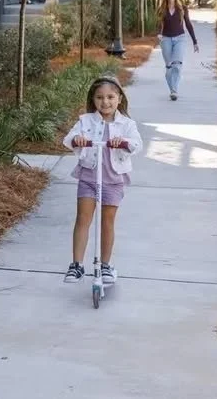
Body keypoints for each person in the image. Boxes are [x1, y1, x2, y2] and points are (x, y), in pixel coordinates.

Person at [61, 75, 143, 286]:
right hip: (89, 176)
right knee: (83, 219)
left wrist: (123, 142)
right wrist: (77, 139)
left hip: (113, 179)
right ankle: (77, 264)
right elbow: (68, 140)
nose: (105, 102)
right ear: (93, 99)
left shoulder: (127, 124)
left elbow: (136, 144)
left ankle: (105, 264)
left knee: (107, 222)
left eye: (110, 97)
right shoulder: (86, 120)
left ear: (119, 99)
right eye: (99, 98)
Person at [156, 0, 199, 100]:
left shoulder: (182, 8)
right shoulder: (162, 9)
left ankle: (174, 90)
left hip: (180, 38)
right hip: (166, 39)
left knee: (177, 65)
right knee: (169, 67)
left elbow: (188, 24)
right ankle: (173, 89)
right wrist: (159, 33)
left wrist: (195, 41)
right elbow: (159, 24)